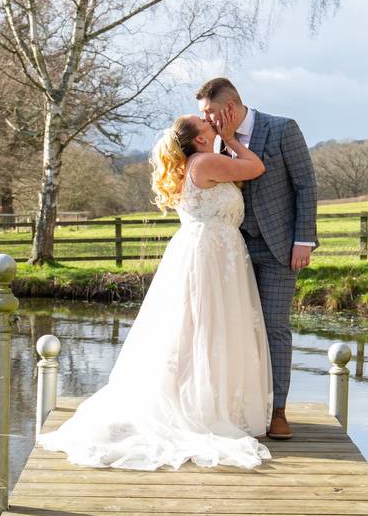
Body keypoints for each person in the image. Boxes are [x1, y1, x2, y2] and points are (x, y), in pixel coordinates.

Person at [38, 108, 274, 470]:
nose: (212, 124)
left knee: (198, 329)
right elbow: (256, 167)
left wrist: (224, 141)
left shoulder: (200, 163)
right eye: (206, 123)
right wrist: (229, 138)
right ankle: (200, 407)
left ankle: (207, 399)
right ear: (198, 138)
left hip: (214, 252)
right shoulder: (205, 162)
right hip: (210, 254)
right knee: (205, 328)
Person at [197, 77, 318, 440]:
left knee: (274, 327)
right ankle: (240, 407)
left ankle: (278, 411)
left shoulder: (282, 129)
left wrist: (304, 240)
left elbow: (306, 185)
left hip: (279, 247)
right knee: (233, 330)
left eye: (210, 112)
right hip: (232, 249)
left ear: (231, 105)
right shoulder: (211, 141)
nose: (205, 118)